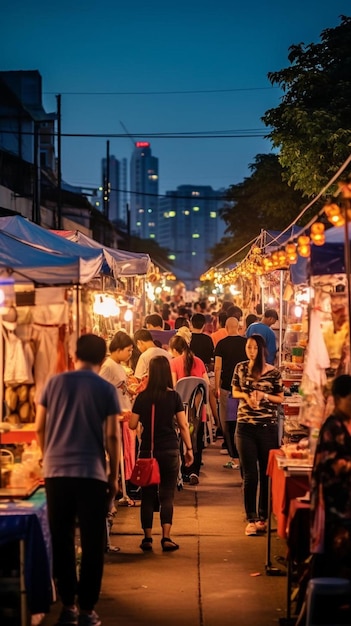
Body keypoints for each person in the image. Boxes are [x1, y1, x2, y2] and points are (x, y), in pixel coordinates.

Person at [35, 334, 121, 626]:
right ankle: (86, 610)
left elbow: (40, 426)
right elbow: (111, 435)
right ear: (102, 358)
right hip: (91, 474)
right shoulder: (106, 389)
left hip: (56, 473)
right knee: (92, 541)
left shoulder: (54, 382)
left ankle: (68, 606)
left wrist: (49, 456)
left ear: (75, 354)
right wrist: (114, 476)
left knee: (61, 539)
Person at [129, 355, 193, 552]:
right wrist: (189, 449)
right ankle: (166, 538)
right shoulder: (174, 397)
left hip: (148, 451)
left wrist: (142, 429)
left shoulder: (142, 397)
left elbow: (132, 424)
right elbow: (183, 425)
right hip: (170, 450)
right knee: (167, 495)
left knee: (147, 496)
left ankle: (147, 538)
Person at [232, 334, 283, 536]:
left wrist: (263, 396)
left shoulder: (274, 373)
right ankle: (251, 518)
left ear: (261, 350)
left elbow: (280, 398)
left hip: (267, 428)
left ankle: (263, 516)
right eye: (248, 347)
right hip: (245, 427)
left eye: (254, 348)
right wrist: (246, 396)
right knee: (249, 474)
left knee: (265, 473)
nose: (250, 351)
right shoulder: (240, 368)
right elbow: (235, 391)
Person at [169, 334, 209, 485]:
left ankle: (183, 472)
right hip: (198, 413)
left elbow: (174, 386)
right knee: (196, 441)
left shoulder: (173, 363)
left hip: (180, 413)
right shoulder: (198, 361)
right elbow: (206, 384)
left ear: (175, 349)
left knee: (181, 441)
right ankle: (194, 472)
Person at [99, 331, 136, 486]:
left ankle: (123, 486)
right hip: (117, 417)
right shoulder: (108, 366)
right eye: (128, 350)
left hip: (125, 414)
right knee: (119, 455)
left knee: (125, 454)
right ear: (119, 349)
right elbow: (99, 388)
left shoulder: (118, 366)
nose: (130, 353)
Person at [214, 317, 247, 469]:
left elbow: (217, 368)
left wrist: (216, 387)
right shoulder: (246, 343)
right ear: (239, 327)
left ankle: (233, 457)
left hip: (227, 387)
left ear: (226, 327)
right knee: (243, 421)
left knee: (228, 422)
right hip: (244, 389)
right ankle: (242, 456)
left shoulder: (221, 344)